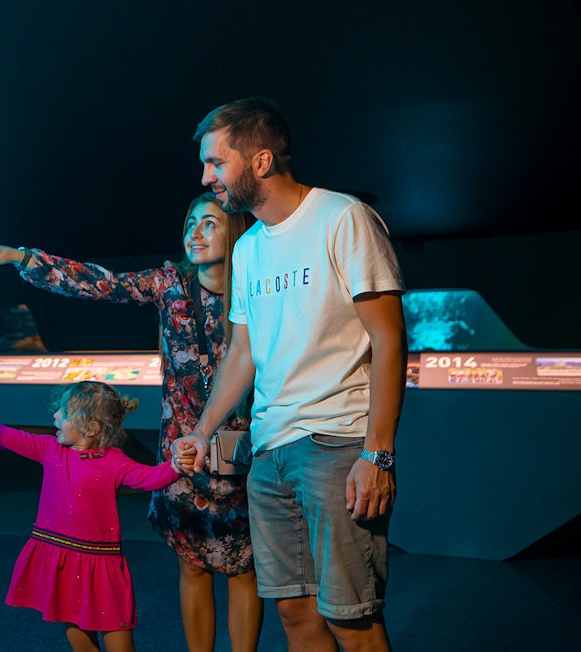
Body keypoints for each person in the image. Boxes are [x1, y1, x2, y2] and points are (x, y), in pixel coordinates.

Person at [0, 192, 264, 652]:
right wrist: (21, 257)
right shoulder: (169, 284)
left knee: (244, 570)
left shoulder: (255, 287)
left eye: (210, 224)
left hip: (243, 453)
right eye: (191, 224)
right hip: (182, 453)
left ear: (236, 230)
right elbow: (100, 282)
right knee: (192, 565)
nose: (195, 234)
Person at [174, 97, 407, 652]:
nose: (207, 178)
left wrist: (378, 454)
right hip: (269, 449)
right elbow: (241, 355)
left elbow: (390, 337)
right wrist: (203, 431)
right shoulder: (249, 248)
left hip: (336, 444)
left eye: (216, 163)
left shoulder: (343, 217)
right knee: (296, 617)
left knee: (353, 619)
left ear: (260, 161)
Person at [0, 381, 190, 652]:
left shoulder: (114, 461)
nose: (56, 416)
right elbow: (2, 435)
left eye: (65, 413)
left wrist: (175, 466)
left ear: (91, 427)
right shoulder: (48, 449)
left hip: (101, 567)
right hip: (62, 564)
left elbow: (149, 478)